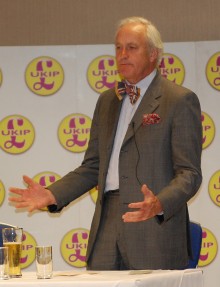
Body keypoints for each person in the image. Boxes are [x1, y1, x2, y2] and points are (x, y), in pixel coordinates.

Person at [9, 16, 202, 270]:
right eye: (118, 48)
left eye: (132, 48)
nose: (122, 54)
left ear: (154, 54)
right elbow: (92, 166)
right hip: (106, 223)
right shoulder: (107, 101)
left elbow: (189, 174)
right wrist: (52, 194)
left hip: (153, 226)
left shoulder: (178, 100)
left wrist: (159, 203)